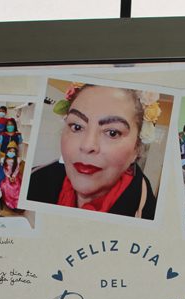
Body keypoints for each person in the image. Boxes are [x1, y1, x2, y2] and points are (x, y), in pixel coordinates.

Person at [27, 84, 158, 219]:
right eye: (77, 127)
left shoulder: (148, 215)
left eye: (112, 133)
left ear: (136, 148)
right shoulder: (32, 181)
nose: (87, 146)